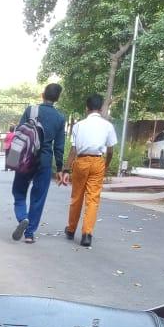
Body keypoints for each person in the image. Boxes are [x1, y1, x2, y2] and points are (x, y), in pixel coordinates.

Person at [11, 83, 68, 244]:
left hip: (25, 158)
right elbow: (59, 146)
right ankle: (29, 234)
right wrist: (60, 168)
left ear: (43, 94)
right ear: (57, 98)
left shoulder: (31, 110)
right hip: (44, 160)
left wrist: (13, 159)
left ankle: (23, 217)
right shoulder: (59, 117)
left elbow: (19, 134)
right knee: (38, 197)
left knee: (19, 192)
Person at [65, 93, 118, 248]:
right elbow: (111, 151)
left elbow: (73, 150)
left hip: (81, 161)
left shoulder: (79, 125)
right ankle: (87, 234)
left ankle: (71, 229)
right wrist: (105, 165)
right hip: (98, 162)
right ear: (101, 108)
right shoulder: (108, 126)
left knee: (77, 197)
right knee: (93, 199)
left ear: (86, 108)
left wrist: (66, 169)